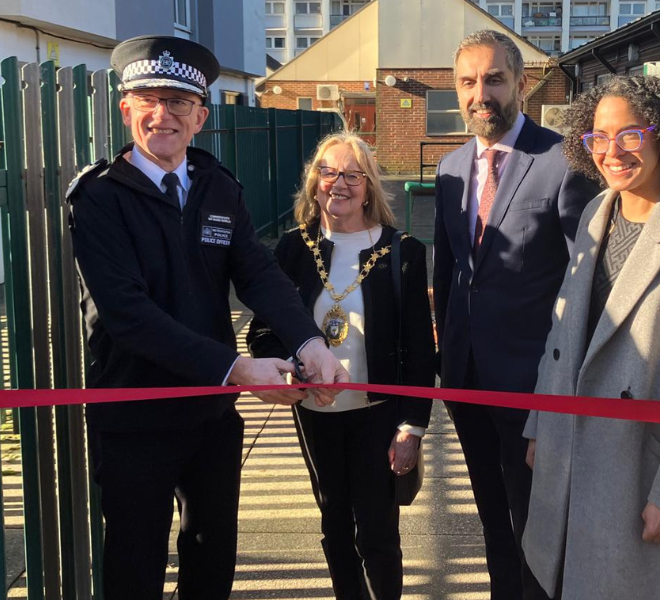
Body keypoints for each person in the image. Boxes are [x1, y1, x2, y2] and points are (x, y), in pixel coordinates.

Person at [67, 36, 348, 600]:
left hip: (210, 415)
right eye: (147, 98)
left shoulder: (219, 186)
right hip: (135, 411)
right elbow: (127, 314)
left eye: (178, 102)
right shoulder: (97, 198)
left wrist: (308, 343)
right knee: (134, 562)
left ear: (200, 116)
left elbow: (258, 274)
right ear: (126, 109)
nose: (161, 114)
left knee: (211, 553)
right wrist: (237, 368)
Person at [522, 75, 660, 600]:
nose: (612, 151)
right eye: (598, 137)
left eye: (630, 134)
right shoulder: (595, 216)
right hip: (573, 449)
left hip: (644, 469)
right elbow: (563, 332)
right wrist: (540, 423)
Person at [432, 30, 598, 600]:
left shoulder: (563, 161)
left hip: (532, 388)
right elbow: (450, 272)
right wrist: (446, 359)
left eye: (494, 79)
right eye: (468, 82)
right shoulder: (450, 167)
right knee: (490, 518)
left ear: (521, 84)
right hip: (468, 380)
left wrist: (562, 387)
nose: (481, 93)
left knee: (536, 524)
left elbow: (584, 280)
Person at [248, 132, 436, 600]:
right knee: (334, 524)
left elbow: (418, 347)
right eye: (328, 172)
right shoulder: (294, 249)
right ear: (314, 184)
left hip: (378, 414)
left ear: (369, 187)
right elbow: (264, 330)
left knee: (375, 531)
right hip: (315, 412)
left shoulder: (402, 251)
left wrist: (412, 427)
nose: (340, 184)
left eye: (353, 175)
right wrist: (294, 367)